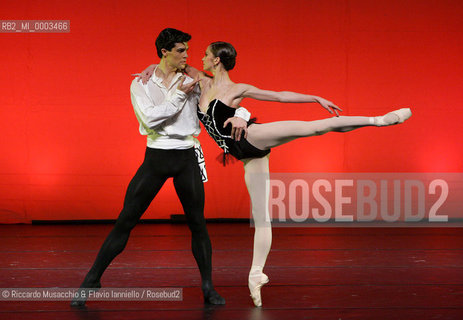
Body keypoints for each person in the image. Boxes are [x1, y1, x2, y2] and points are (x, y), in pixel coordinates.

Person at [139, 41, 412, 307]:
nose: (199, 58)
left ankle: (379, 120)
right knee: (262, 216)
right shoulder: (200, 80)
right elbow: (170, 64)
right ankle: (256, 274)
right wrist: (151, 67)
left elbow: (280, 95)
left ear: (216, 60)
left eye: (205, 55)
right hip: (245, 156)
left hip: (253, 138)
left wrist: (313, 97)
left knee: (316, 127)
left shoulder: (237, 89)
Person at [71, 30, 252, 307]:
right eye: (180, 51)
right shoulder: (141, 84)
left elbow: (231, 95)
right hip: (156, 157)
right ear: (164, 51)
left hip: (186, 157)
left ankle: (207, 287)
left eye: (188, 51)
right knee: (126, 220)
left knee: (198, 224)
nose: (187, 56)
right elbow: (151, 119)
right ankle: (92, 279)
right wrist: (180, 95)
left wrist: (241, 115)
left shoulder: (194, 80)